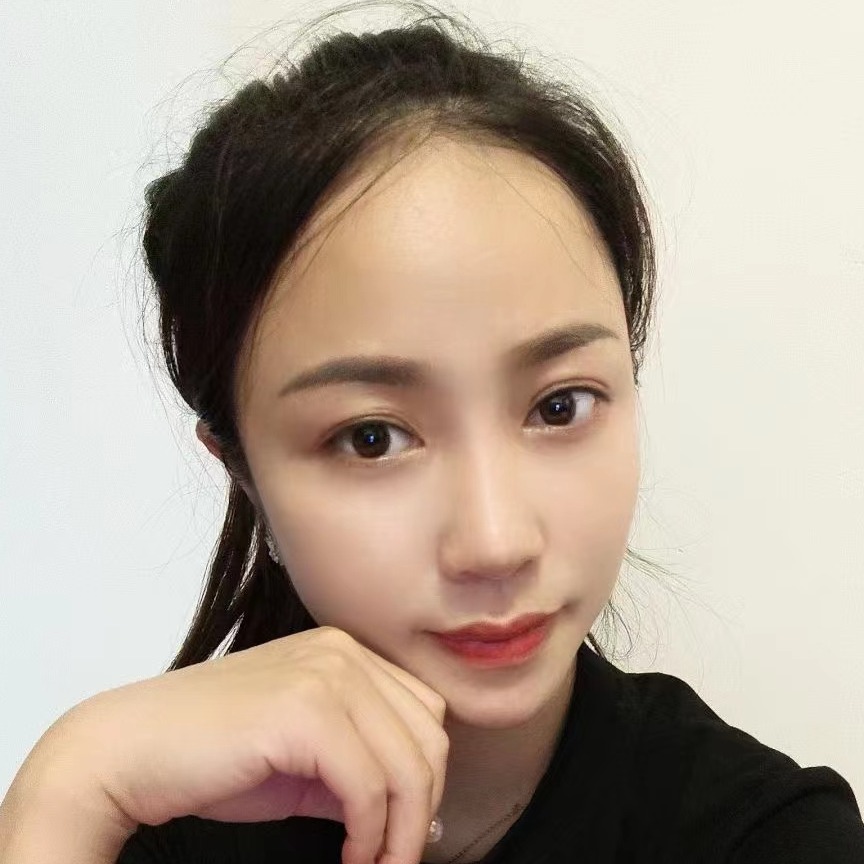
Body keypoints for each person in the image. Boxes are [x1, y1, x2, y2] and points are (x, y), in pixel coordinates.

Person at [1, 3, 862, 863]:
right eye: (372, 437)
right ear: (244, 474)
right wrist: (66, 786)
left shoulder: (766, 836)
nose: (496, 543)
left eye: (559, 406)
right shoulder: (136, 827)